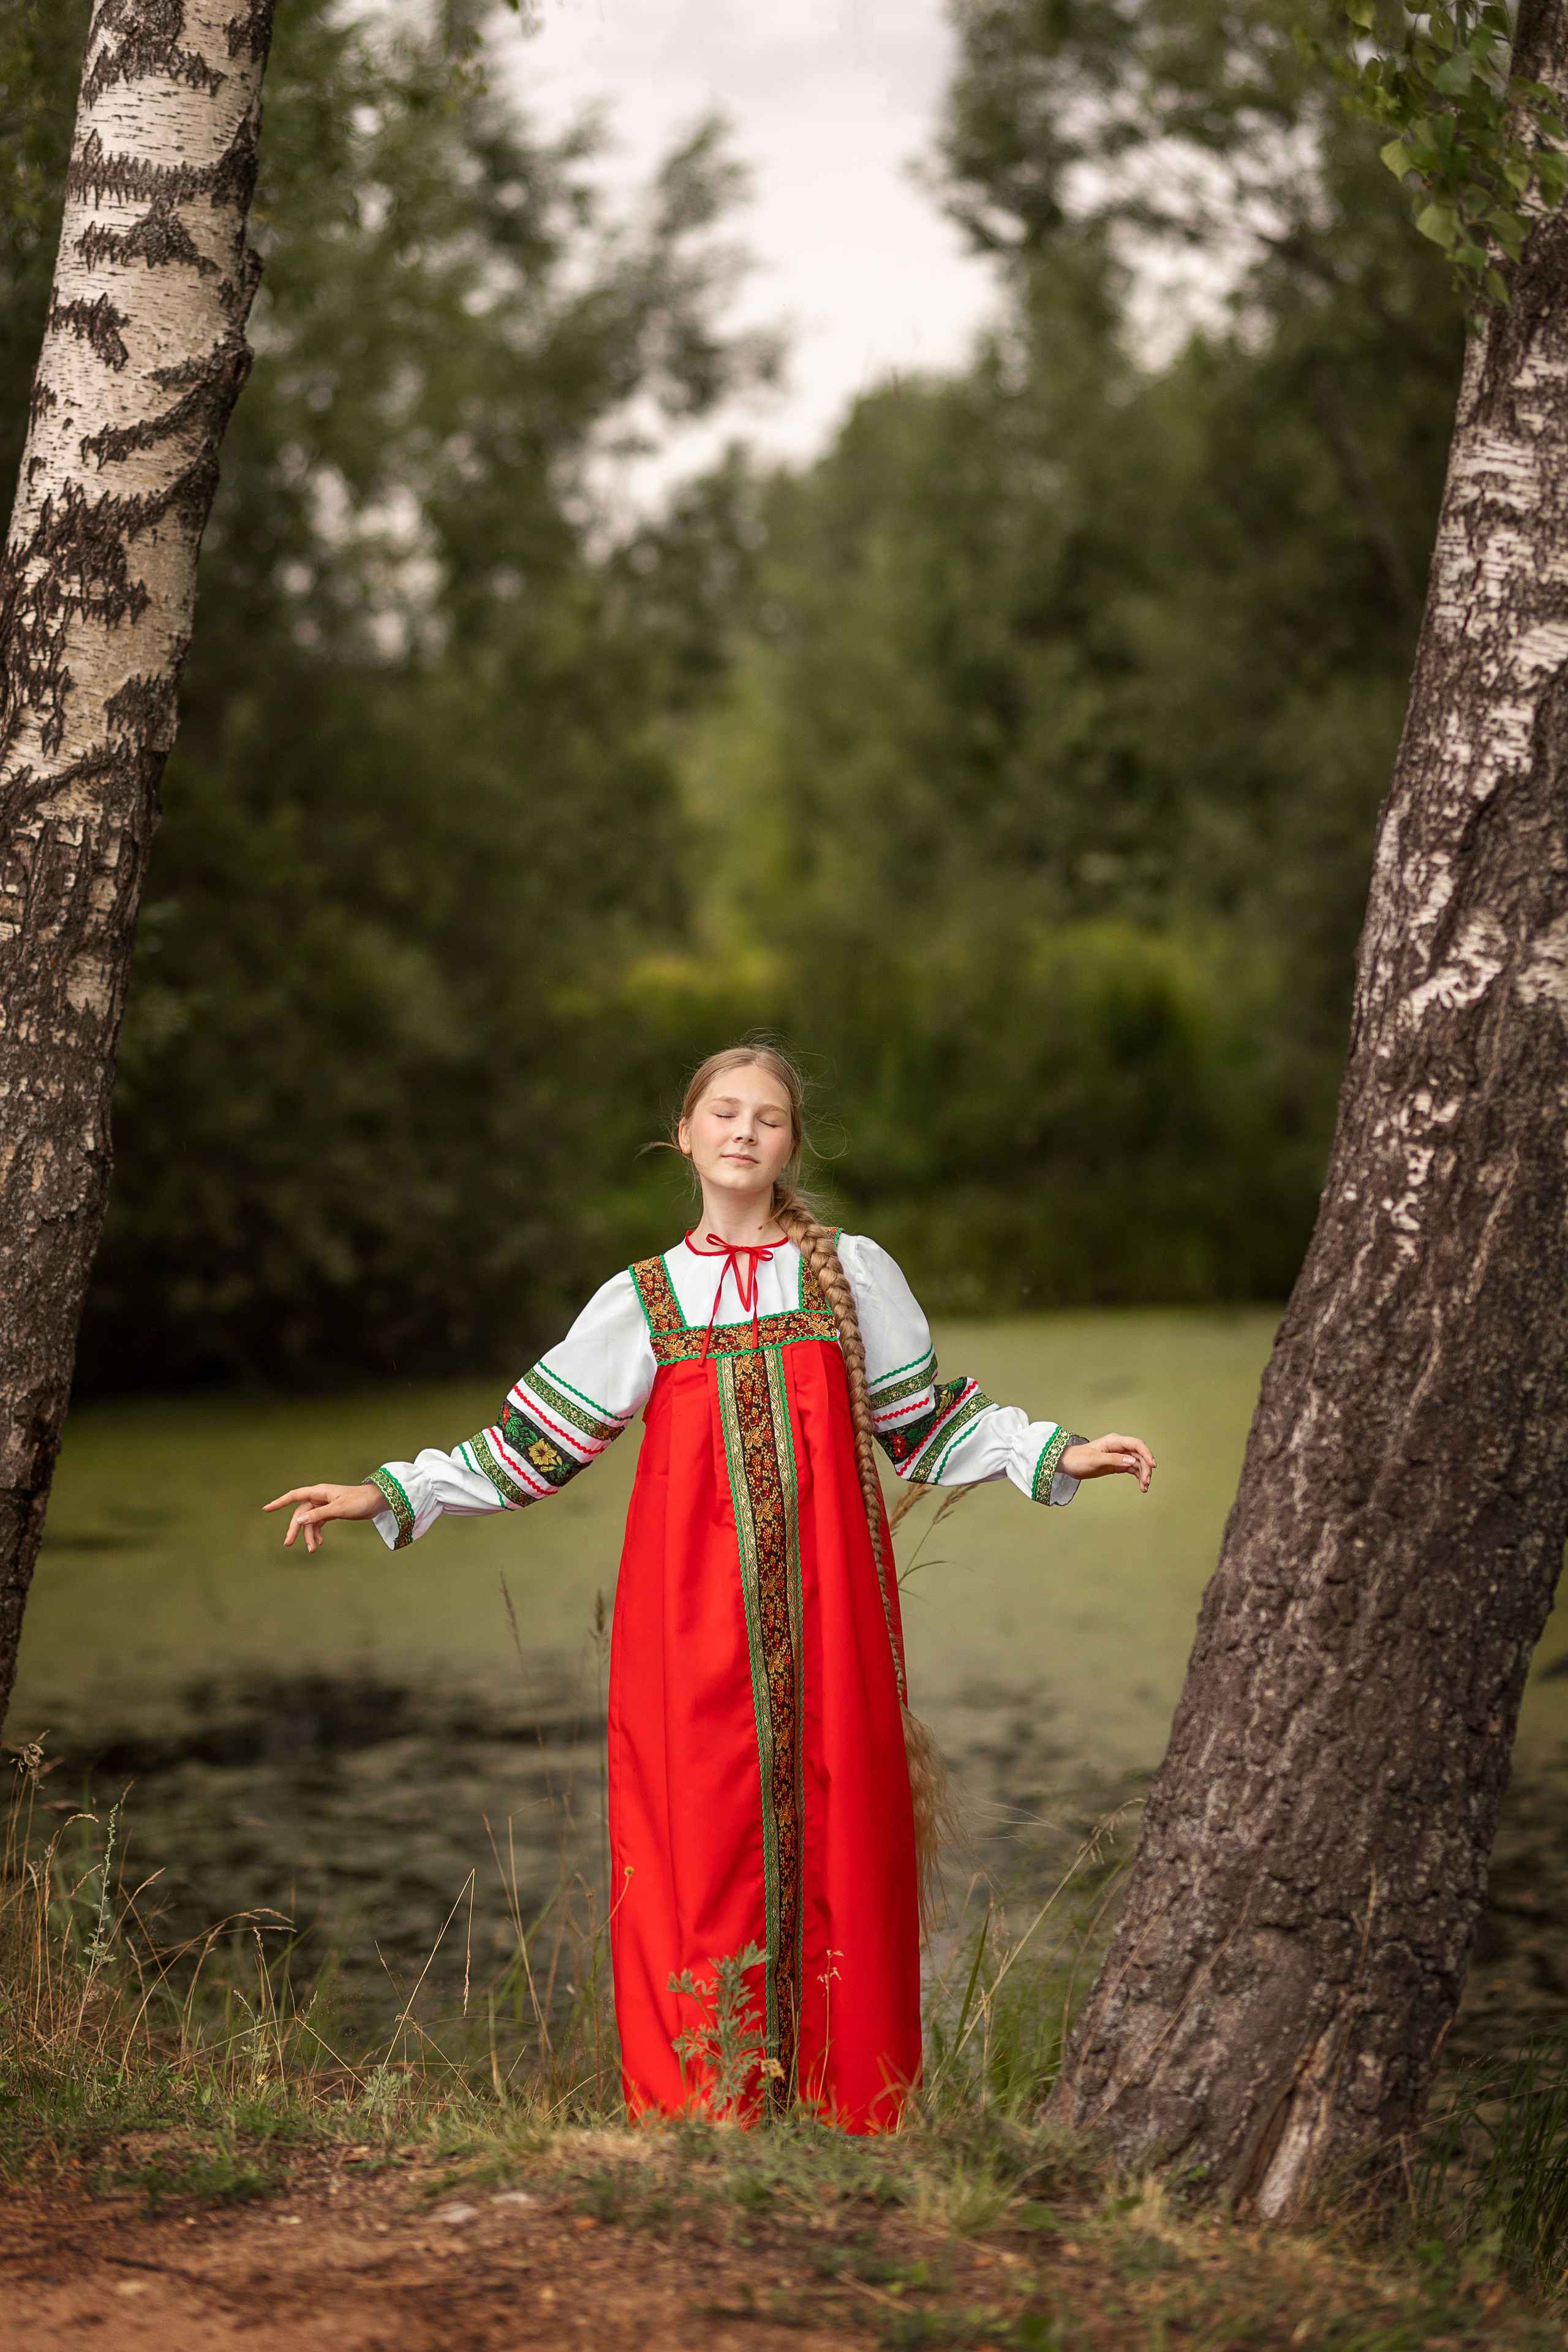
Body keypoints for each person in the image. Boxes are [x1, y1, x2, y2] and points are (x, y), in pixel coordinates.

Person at [266, 1044, 1155, 2132]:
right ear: (683, 1134)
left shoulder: (850, 1272)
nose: (744, 1131)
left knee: (848, 1840)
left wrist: (1056, 1453)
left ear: (791, 1145)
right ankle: (704, 2116)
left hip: (836, 1627)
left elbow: (926, 1427)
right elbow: (532, 1449)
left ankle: (853, 2117)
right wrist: (388, 1492)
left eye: (769, 1117)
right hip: (691, 1636)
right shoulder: (642, 1300)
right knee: (697, 1849)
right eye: (723, 1113)